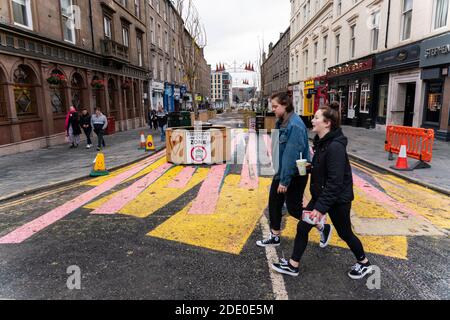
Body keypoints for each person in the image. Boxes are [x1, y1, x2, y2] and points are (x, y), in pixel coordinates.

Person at [271, 102, 373, 280]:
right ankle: (293, 265)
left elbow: (335, 182)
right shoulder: (323, 143)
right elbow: (324, 170)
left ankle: (364, 263)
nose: (313, 120)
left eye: (317, 117)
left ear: (327, 123)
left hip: (337, 200)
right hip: (322, 196)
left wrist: (319, 208)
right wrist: (307, 168)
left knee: (345, 233)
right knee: (302, 228)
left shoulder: (335, 147)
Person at [256, 92, 332, 250]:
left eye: (276, 106)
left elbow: (291, 154)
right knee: (274, 203)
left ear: (285, 105)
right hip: (283, 171)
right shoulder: (282, 121)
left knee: (294, 209)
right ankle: (275, 235)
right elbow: (280, 148)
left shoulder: (294, 125)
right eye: (273, 106)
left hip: (295, 173)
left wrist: (284, 180)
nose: (273, 110)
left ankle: (322, 226)